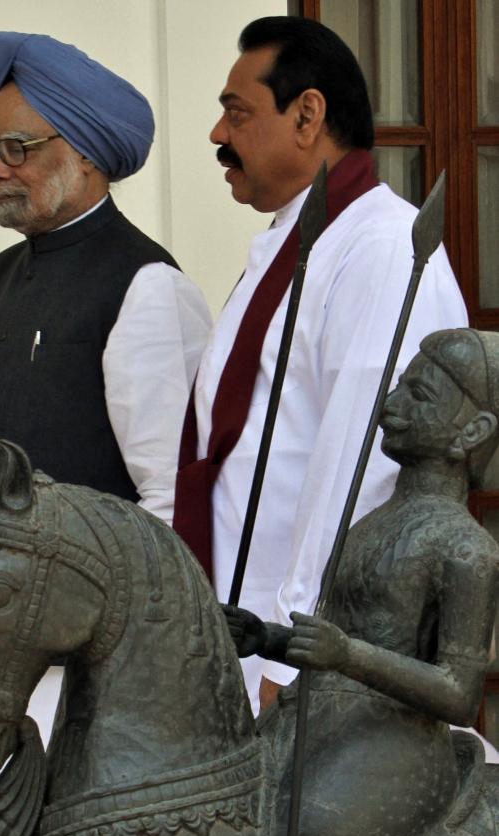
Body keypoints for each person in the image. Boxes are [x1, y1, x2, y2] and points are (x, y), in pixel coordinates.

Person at [0, 31, 210, 836]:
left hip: (76, 684)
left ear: (84, 154)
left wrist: (144, 682)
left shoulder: (147, 287)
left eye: (18, 147)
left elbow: (169, 514)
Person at [173, 16, 468, 717]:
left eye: (237, 112)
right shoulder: (295, 244)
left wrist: (293, 649)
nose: (218, 134)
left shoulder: (384, 248)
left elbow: (367, 465)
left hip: (302, 667)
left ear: (308, 115)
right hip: (238, 639)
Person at [223, 327, 499, 836]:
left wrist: (348, 657)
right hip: (318, 715)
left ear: (472, 432)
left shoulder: (466, 548)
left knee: (308, 826)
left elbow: (459, 693)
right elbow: (339, 634)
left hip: (398, 738)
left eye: (420, 394)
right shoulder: (373, 520)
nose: (391, 402)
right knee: (225, 803)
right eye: (400, 385)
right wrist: (267, 637)